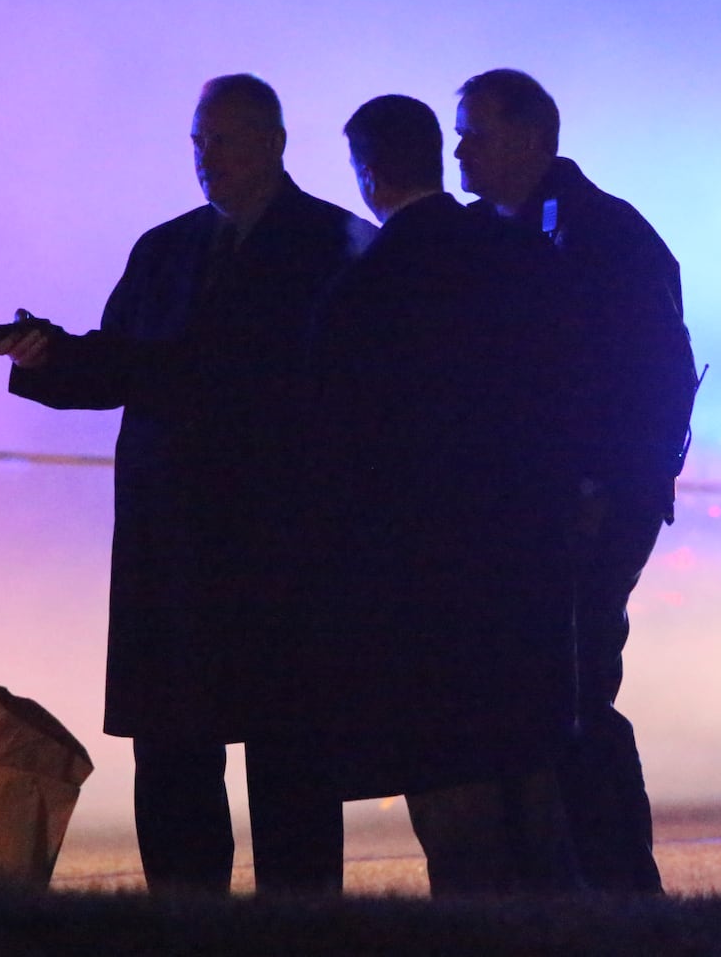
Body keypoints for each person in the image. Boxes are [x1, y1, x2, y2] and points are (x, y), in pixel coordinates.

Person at [0, 74, 374, 895]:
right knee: (172, 749)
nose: (207, 158)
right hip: (172, 542)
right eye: (199, 142)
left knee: (291, 753)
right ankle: (184, 922)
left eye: (224, 140)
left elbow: (307, 384)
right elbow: (117, 364)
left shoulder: (334, 246)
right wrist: (47, 357)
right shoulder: (165, 249)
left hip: (283, 544)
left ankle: (303, 926)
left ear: (274, 142)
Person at [281, 94, 583, 895]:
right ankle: (567, 921)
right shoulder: (520, 254)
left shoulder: (364, 288)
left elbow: (338, 442)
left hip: (420, 569)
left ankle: (473, 923)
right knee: (531, 768)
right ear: (435, 157)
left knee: (448, 773)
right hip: (524, 550)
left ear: (368, 173)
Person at [437, 68, 698, 894]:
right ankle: (570, 886)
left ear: (530, 137)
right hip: (528, 508)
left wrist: (604, 491)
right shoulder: (489, 235)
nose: (459, 150)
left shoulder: (606, 238)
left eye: (475, 132)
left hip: (586, 508)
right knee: (540, 693)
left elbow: (654, 379)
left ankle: (616, 888)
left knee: (575, 692)